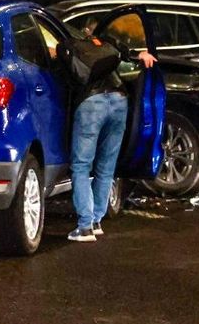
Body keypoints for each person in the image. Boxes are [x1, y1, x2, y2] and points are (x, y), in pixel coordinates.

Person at [65, 32, 155, 243]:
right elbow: (127, 58)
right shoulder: (108, 44)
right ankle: (96, 221)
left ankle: (85, 226)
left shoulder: (69, 47)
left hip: (91, 102)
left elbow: (70, 74)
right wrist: (141, 55)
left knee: (81, 165)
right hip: (119, 99)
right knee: (106, 166)